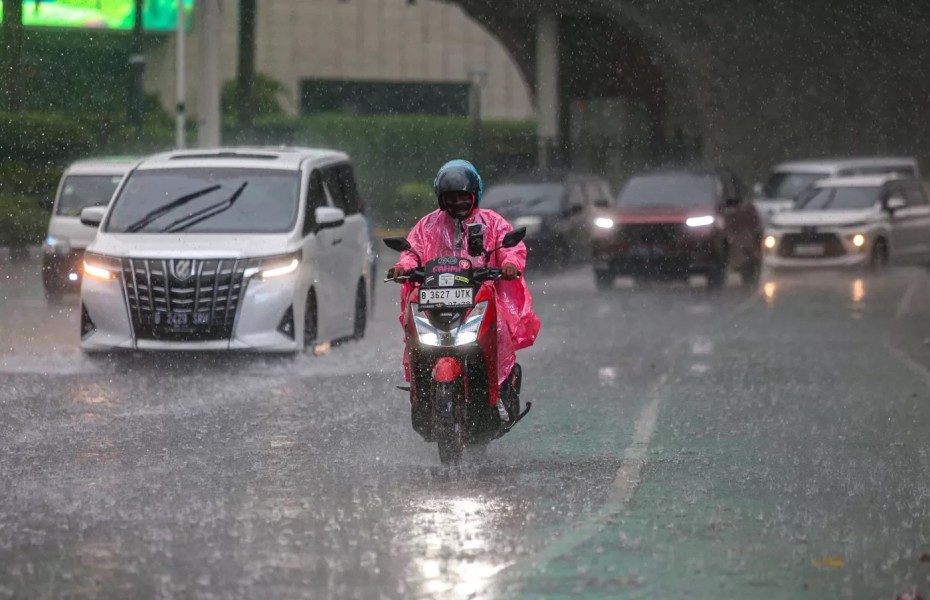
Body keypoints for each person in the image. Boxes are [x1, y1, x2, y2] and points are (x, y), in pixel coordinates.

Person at [387, 159, 541, 420]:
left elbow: (510, 249)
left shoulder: (492, 222)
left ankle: (500, 390)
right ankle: (422, 393)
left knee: (500, 329)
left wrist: (510, 264)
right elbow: (411, 253)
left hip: (478, 298)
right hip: (436, 301)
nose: (456, 203)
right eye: (450, 198)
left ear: (474, 195)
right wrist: (403, 268)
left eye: (462, 197)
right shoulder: (427, 225)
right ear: (440, 199)